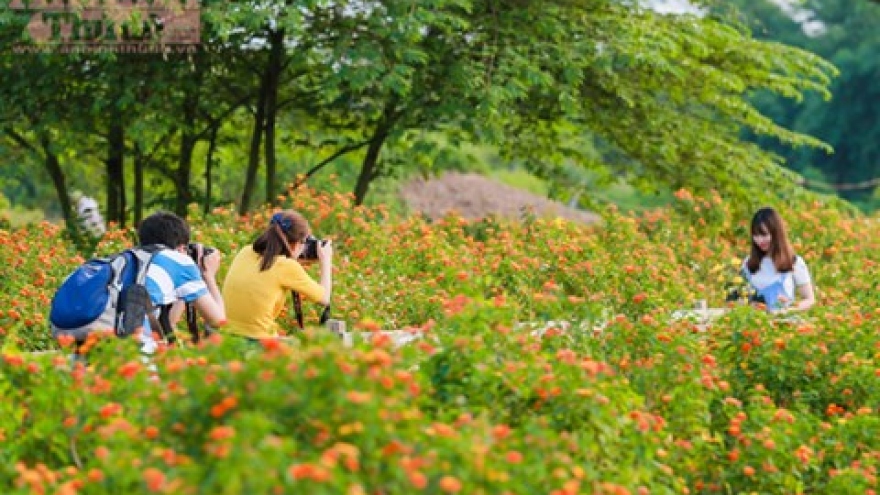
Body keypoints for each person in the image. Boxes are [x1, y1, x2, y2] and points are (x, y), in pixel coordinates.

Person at [221, 210, 332, 340]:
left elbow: (272, 267)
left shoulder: (245, 252)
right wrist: (326, 261)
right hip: (259, 341)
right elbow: (324, 298)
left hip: (226, 336)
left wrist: (295, 257)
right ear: (296, 244)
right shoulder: (286, 267)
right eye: (304, 243)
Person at [137, 211, 227, 353]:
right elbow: (219, 320)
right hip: (138, 347)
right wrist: (209, 276)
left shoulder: (134, 258)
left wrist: (186, 285)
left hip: (108, 337)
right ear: (180, 247)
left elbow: (170, 322)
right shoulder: (177, 259)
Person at [741, 207, 816, 312]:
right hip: (754, 325)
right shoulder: (748, 264)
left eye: (764, 235)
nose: (760, 240)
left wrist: (789, 310)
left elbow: (809, 299)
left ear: (776, 233)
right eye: (756, 235)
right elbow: (740, 298)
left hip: (784, 324)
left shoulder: (794, 262)